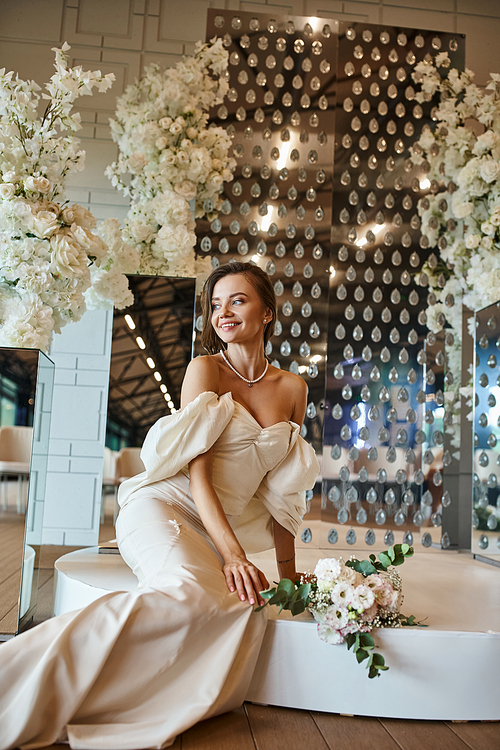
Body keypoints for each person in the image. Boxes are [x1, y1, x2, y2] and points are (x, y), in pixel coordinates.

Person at [0, 261, 319, 750]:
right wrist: (233, 555)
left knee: (245, 607)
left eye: (237, 300)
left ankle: (121, 700)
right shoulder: (205, 369)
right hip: (165, 506)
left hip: (215, 528)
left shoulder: (293, 389)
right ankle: (15, 682)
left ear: (268, 313)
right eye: (215, 304)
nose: (223, 313)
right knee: (190, 593)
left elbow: (283, 495)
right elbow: (199, 473)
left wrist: (288, 575)